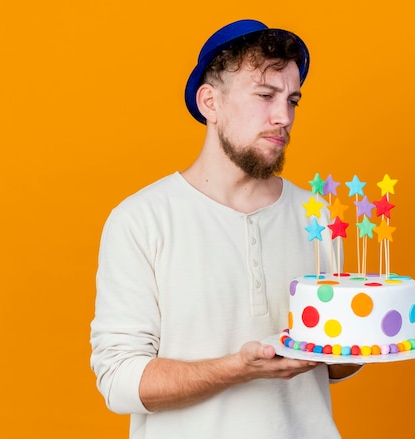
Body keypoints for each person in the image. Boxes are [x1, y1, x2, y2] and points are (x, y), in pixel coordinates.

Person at [90, 19, 362, 438]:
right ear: (210, 103)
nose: (283, 117)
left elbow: (335, 362)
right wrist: (237, 368)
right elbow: (120, 381)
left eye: (292, 100)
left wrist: (366, 340)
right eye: (265, 95)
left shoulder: (318, 216)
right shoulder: (141, 219)